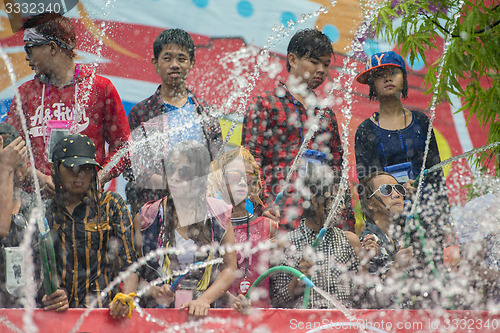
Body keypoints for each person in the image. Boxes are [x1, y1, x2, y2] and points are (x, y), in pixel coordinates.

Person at [242, 28, 355, 232]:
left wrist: (345, 224)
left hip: (319, 220)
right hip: (278, 214)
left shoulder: (326, 115)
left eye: (326, 64)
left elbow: (337, 171)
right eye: (314, 62)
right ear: (292, 60)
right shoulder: (266, 104)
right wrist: (264, 205)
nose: (321, 69)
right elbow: (250, 161)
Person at [6, 13, 131, 194]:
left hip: (86, 204)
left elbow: (123, 148)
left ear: (52, 47)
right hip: (37, 205)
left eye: (29, 48)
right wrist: (39, 178)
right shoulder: (26, 93)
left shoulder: (99, 88)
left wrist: (98, 177)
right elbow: (11, 149)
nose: (26, 57)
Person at [354, 51, 451, 271]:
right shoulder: (365, 130)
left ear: (403, 78)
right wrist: (395, 190)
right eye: (380, 75)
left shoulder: (422, 122)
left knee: (430, 284)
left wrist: (443, 218)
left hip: (426, 216)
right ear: (371, 84)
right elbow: (367, 183)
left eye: (393, 72)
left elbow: (435, 174)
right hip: (388, 224)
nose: (387, 78)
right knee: (393, 283)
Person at [127, 28, 222, 217]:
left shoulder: (206, 113)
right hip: (155, 212)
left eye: (181, 58)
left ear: (192, 63)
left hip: (198, 211)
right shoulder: (142, 113)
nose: (174, 65)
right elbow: (133, 170)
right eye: (167, 58)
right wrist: (172, 184)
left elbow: (217, 163)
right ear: (156, 63)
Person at [138, 141, 236, 317]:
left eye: (183, 171)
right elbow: (134, 273)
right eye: (171, 169)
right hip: (157, 317)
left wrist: (204, 300)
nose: (174, 177)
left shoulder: (218, 214)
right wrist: (155, 291)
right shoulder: (148, 216)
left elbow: (230, 269)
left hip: (204, 315)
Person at [46, 133, 137, 318]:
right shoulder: (45, 212)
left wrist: (126, 298)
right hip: (56, 317)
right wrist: (48, 295)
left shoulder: (111, 205)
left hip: (103, 315)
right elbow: (35, 269)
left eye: (86, 167)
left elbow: (129, 265)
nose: (78, 173)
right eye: (71, 166)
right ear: (54, 168)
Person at [269, 166, 360, 309]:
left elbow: (361, 296)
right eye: (335, 200)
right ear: (315, 201)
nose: (341, 207)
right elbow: (277, 301)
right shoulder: (287, 243)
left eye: (342, 200)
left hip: (343, 325)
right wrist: (297, 279)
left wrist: (366, 265)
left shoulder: (349, 240)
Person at [0, 123, 69, 310]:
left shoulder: (33, 208)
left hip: (29, 313)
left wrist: (55, 296)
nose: (19, 172)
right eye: (10, 165)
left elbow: (48, 267)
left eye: (21, 164)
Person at [207, 146, 279, 308]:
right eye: (233, 176)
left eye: (247, 176)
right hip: (221, 318)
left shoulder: (269, 226)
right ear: (220, 181)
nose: (241, 181)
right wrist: (227, 298)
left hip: (261, 319)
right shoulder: (211, 227)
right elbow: (204, 278)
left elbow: (278, 284)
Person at [357, 171, 415, 307]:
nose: (396, 194)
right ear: (370, 203)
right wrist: (396, 268)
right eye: (386, 190)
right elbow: (372, 301)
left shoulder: (399, 235)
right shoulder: (368, 243)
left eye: (398, 188)